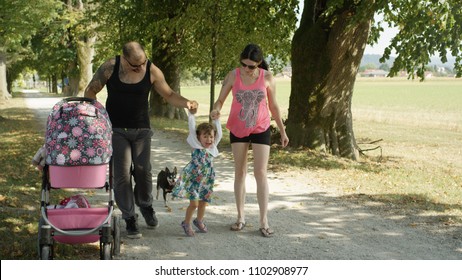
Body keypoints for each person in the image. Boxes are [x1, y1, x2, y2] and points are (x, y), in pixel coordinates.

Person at [84, 41, 198, 239]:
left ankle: (145, 206)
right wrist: (98, 115)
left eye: (143, 63)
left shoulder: (152, 70)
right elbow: (90, 91)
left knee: (144, 171)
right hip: (116, 130)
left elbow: (169, 94)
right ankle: (129, 217)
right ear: (124, 58)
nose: (140, 68)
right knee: (122, 175)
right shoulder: (110, 67)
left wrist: (187, 103)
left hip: (142, 130)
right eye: (135, 65)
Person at [210, 43, 289, 238]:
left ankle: (264, 221)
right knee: (240, 172)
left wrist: (282, 131)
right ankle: (240, 217)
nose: (246, 69)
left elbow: (274, 106)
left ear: (259, 63)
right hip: (238, 127)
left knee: (260, 172)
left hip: (261, 127)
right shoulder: (233, 75)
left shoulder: (268, 78)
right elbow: (220, 100)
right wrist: (216, 109)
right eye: (243, 64)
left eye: (251, 66)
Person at [171, 111, 222, 237]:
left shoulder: (212, 148)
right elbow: (192, 128)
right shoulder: (196, 145)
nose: (209, 139)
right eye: (205, 136)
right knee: (194, 204)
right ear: (198, 137)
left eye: (210, 136)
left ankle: (198, 221)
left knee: (204, 202)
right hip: (193, 180)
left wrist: (216, 120)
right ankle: (186, 223)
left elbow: (219, 134)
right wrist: (191, 115)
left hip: (206, 180)